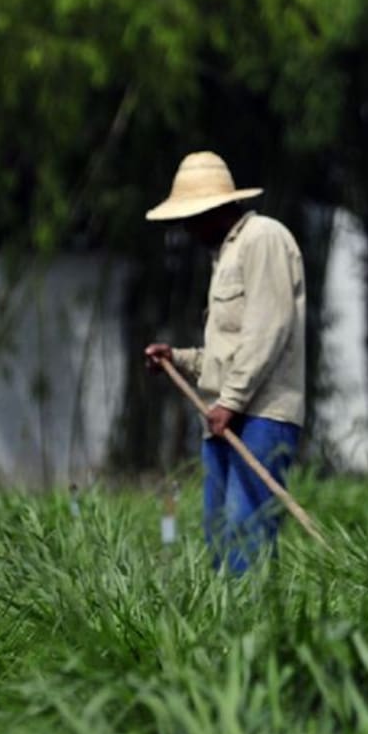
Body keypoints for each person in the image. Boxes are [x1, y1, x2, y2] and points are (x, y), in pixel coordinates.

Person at [144, 151, 306, 574]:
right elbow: (228, 353)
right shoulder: (226, 257)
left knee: (244, 535)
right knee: (219, 538)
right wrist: (177, 359)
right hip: (224, 418)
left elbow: (267, 330)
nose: (187, 228)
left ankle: (252, 636)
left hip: (260, 417)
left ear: (214, 209)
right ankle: (226, 636)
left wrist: (230, 401)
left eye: (191, 217)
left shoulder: (263, 238)